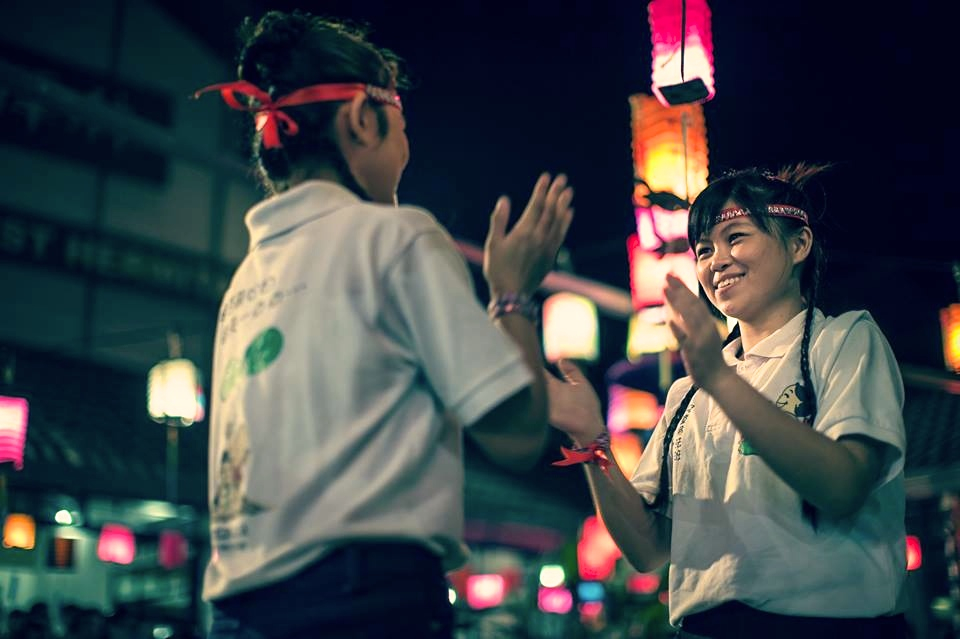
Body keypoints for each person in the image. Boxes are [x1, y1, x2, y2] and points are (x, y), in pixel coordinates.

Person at [192, 10, 573, 639]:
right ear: (361, 119)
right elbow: (516, 435)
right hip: (364, 600)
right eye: (401, 125)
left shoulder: (247, 280)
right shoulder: (395, 236)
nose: (406, 150)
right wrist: (512, 295)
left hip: (237, 613)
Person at [547, 164, 907, 639]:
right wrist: (592, 444)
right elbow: (649, 549)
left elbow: (844, 486)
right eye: (703, 250)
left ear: (799, 244)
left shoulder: (844, 339)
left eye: (735, 237)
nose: (717, 260)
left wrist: (718, 379)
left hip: (829, 628)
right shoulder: (689, 392)